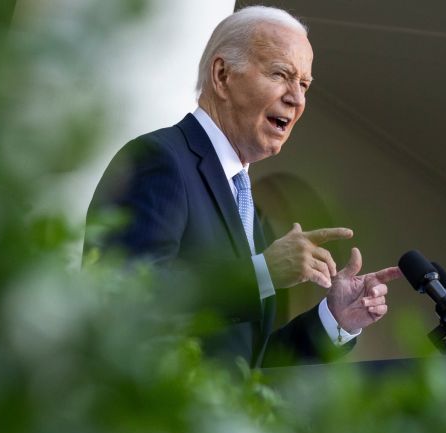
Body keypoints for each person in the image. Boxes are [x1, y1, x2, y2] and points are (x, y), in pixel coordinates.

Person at [85, 5, 399, 367]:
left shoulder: (246, 207)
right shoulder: (160, 160)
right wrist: (262, 273)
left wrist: (335, 319)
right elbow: (126, 300)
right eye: (281, 74)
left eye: (304, 85)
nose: (296, 98)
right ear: (222, 76)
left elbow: (247, 365)